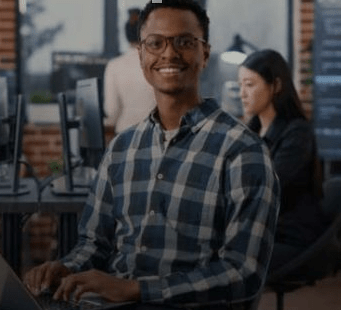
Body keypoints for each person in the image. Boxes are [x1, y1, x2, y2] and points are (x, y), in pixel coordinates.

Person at [24, 1, 280, 309]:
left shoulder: (243, 152)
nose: (169, 54)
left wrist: (135, 290)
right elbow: (94, 244)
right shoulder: (121, 149)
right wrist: (67, 268)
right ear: (142, 54)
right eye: (155, 43)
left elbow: (244, 273)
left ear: (205, 54)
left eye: (184, 42)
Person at [238, 49, 329, 273]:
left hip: (291, 237)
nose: (242, 94)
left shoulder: (297, 132)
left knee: (223, 268)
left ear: (276, 86)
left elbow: (266, 189)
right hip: (260, 234)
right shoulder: (251, 132)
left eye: (250, 84)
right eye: (240, 85)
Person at [104, 7, 156, 134]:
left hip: (125, 136)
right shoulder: (160, 62)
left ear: (126, 35)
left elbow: (112, 111)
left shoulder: (114, 66)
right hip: (156, 136)